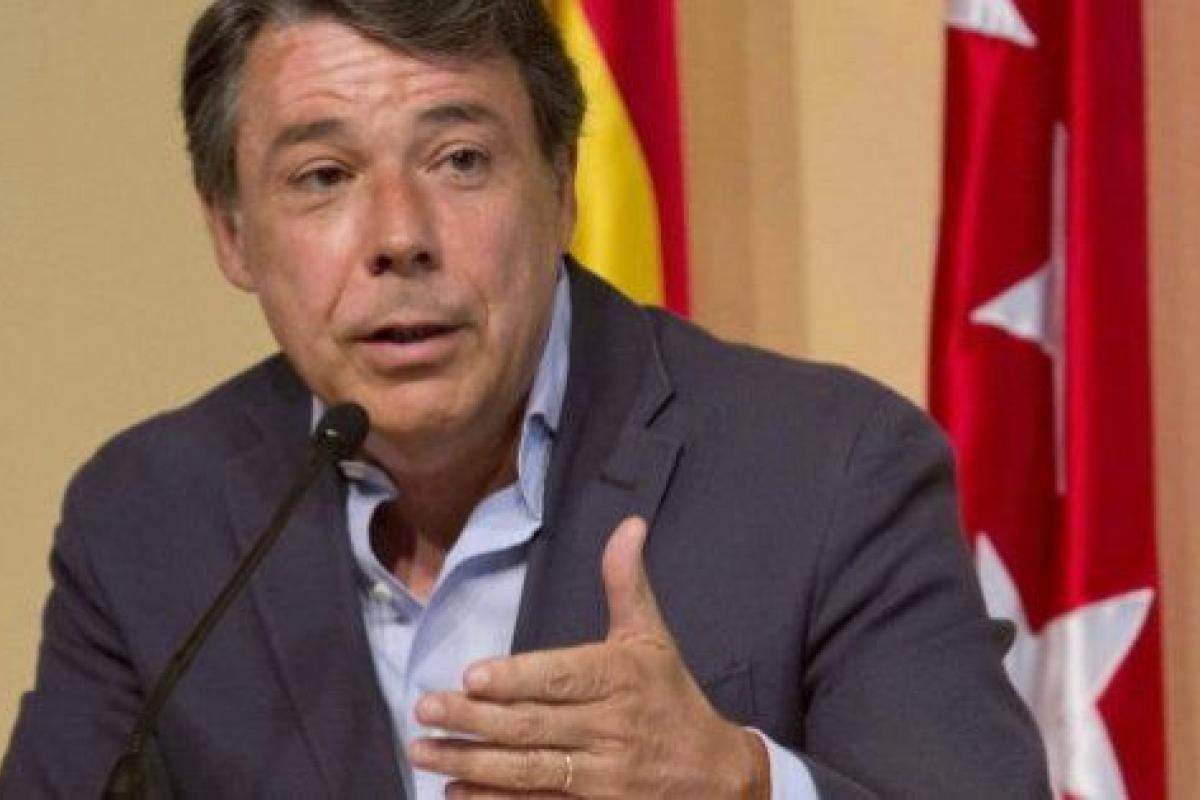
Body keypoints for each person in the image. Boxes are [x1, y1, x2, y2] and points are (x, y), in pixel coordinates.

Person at [0, 1, 1051, 797]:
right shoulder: (147, 520)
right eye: (323, 176)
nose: (399, 235)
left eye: (460, 159)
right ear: (232, 232)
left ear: (561, 182)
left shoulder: (830, 469)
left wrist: (741, 781)